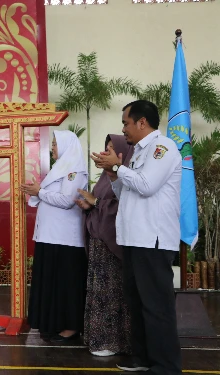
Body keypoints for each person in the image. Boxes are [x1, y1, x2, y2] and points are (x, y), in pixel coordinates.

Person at [91, 100, 182, 374]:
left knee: (157, 305)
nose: (123, 128)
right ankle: (142, 358)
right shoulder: (138, 152)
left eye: (126, 123)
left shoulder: (163, 148)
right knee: (137, 302)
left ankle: (166, 366)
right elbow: (125, 194)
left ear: (142, 122)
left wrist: (118, 168)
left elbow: (146, 185)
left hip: (152, 240)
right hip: (133, 238)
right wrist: (113, 174)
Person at [20, 130, 89, 342]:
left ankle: (70, 327)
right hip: (50, 236)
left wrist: (38, 192)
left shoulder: (75, 171)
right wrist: (35, 192)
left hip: (65, 238)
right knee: (51, 283)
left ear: (67, 146)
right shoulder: (59, 169)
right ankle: (52, 324)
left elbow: (67, 200)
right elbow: (46, 196)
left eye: (55, 144)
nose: (52, 148)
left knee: (66, 284)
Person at [75, 134, 133, 357]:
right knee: (99, 293)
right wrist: (88, 205)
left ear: (123, 153)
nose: (106, 152)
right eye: (105, 147)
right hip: (100, 243)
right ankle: (98, 339)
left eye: (112, 149)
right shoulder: (104, 177)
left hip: (113, 245)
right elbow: (98, 202)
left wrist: (96, 202)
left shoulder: (126, 177)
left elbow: (123, 206)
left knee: (112, 295)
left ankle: (113, 342)